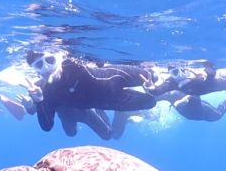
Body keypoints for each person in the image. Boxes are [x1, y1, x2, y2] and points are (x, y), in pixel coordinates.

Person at [25, 50, 158, 136]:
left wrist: (150, 87)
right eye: (39, 65)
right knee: (151, 102)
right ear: (36, 71)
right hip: (112, 102)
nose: (47, 67)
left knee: (152, 77)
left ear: (59, 58)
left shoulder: (73, 63)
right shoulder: (45, 92)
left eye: (50, 60)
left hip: (115, 77)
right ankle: (123, 115)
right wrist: (39, 102)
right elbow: (47, 127)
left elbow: (94, 58)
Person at [152, 61, 226, 121]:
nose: (179, 75)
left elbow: (156, 93)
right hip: (193, 112)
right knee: (217, 115)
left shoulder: (184, 81)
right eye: (175, 73)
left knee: (187, 96)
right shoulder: (171, 84)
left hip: (190, 106)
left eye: (182, 71)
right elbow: (157, 94)